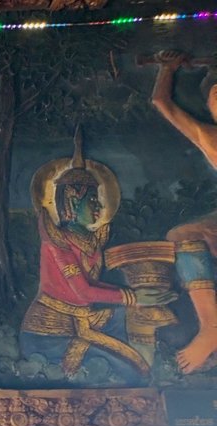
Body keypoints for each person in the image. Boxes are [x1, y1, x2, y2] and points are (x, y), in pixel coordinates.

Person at [20, 138, 175, 379]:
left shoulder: (93, 240)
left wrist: (135, 298)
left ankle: (164, 364)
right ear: (72, 201)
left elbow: (93, 286)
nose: (99, 206)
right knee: (129, 372)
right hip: (51, 334)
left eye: (98, 199)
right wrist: (131, 297)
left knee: (127, 317)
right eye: (92, 199)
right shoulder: (56, 242)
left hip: (83, 320)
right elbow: (83, 292)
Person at [151, 50, 217, 373]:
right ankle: (211, 326)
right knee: (182, 236)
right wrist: (168, 68)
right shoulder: (210, 135)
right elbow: (163, 104)